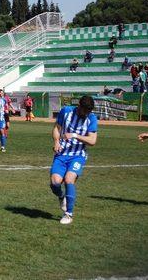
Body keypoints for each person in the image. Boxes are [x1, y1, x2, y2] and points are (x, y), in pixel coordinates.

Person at [49, 96, 98, 225]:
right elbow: (57, 128)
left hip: (78, 155)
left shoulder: (91, 118)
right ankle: (61, 197)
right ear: (79, 107)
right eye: (84, 111)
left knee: (69, 180)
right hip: (61, 153)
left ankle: (68, 214)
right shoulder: (66, 111)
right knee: (55, 182)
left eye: (88, 112)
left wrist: (75, 135)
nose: (86, 114)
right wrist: (56, 142)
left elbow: (92, 141)